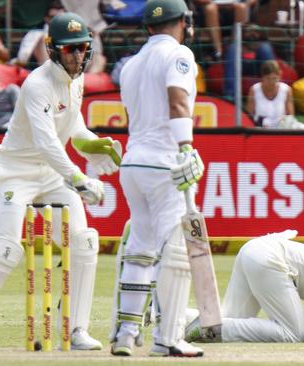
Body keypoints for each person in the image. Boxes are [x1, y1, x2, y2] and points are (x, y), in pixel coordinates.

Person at [0, 13, 122, 352]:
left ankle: (76, 329)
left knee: (84, 242)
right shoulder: (37, 84)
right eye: (70, 50)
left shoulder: (77, 80)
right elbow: (47, 143)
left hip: (52, 176)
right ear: (53, 50)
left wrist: (96, 144)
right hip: (15, 173)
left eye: (83, 48)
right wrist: (80, 179)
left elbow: (73, 128)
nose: (77, 56)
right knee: (7, 249)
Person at [109, 0, 205, 358]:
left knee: (140, 249)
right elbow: (177, 101)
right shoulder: (179, 54)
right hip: (165, 163)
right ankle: (168, 338)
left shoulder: (131, 64)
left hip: (133, 164)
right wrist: (185, 148)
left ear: (149, 26)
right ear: (182, 22)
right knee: (175, 251)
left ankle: (127, 332)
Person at [223, 25, 275, 99]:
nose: (252, 34)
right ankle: (230, 98)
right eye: (249, 31)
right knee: (233, 48)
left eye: (255, 32)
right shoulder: (237, 44)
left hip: (259, 66)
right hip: (240, 65)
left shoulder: (263, 45)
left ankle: (272, 92)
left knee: (265, 48)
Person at [246, 60, 294, 128]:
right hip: (260, 130)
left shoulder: (286, 90)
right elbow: (248, 117)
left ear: (279, 76)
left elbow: (290, 116)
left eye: (274, 78)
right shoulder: (254, 90)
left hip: (281, 130)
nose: (271, 82)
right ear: (262, 77)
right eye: (268, 79)